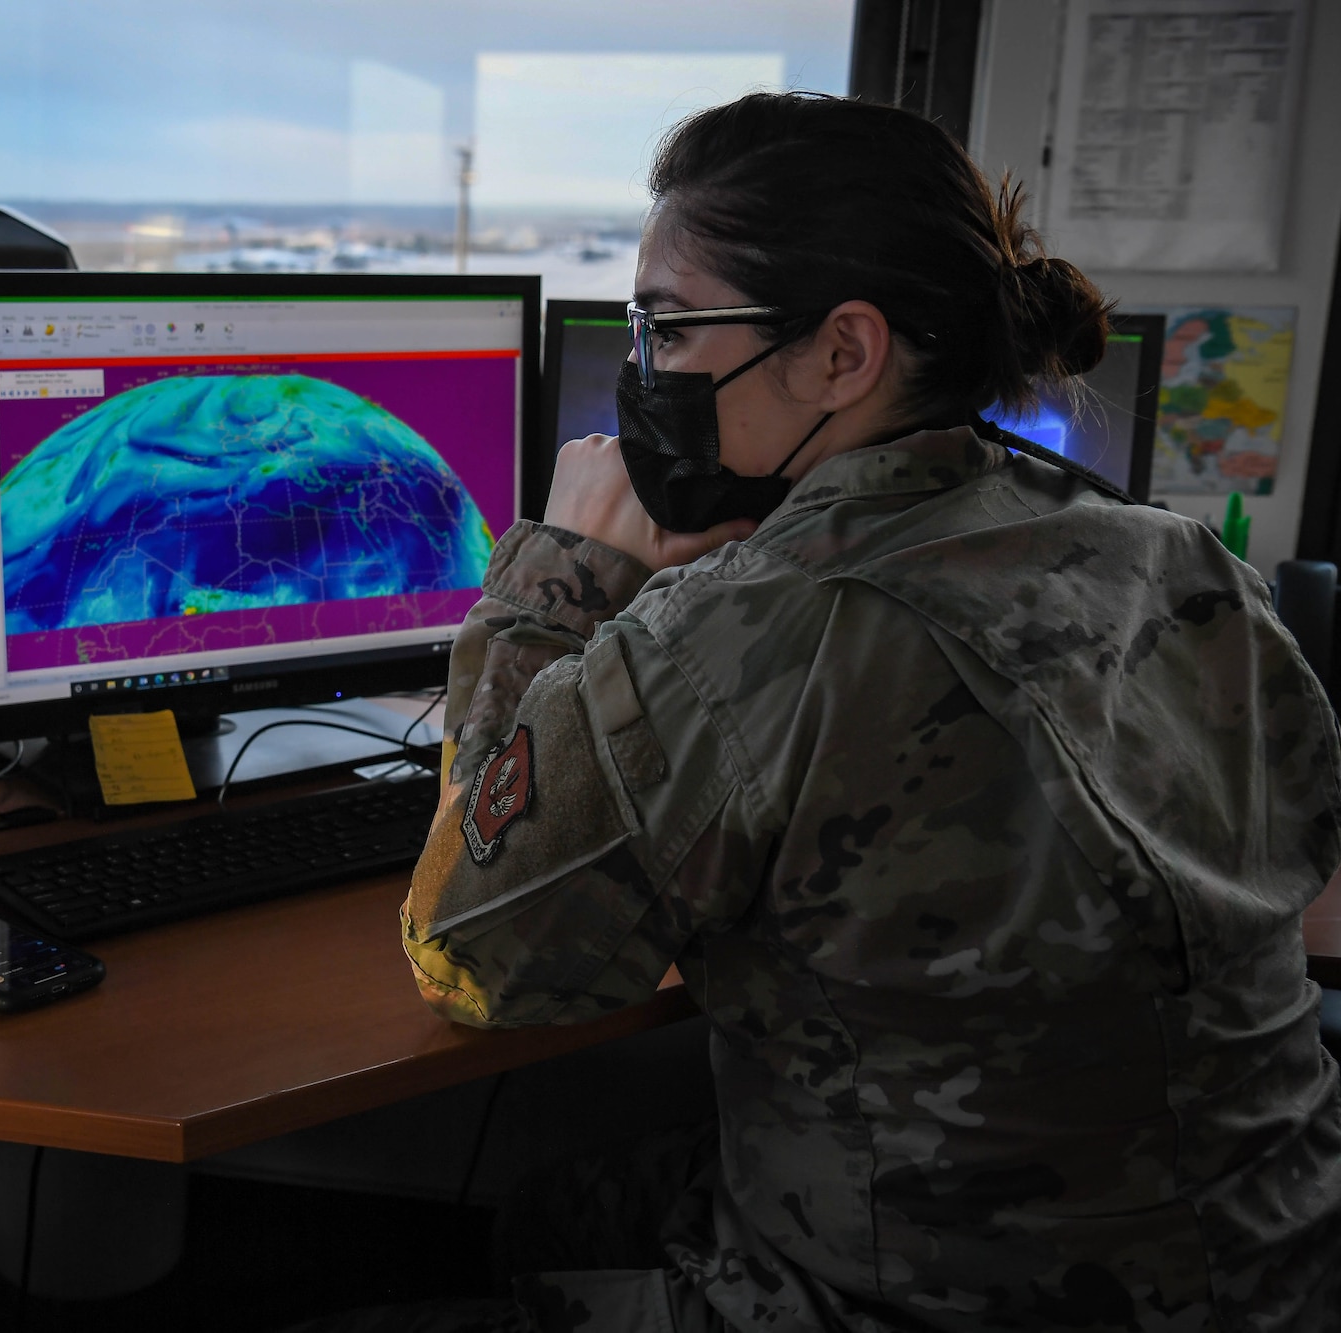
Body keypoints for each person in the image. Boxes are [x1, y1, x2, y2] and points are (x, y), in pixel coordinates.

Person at [324, 93, 1341, 1332]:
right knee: (560, 1207)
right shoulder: (1179, 560)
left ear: (842, 355)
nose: (640, 367)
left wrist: (560, 574)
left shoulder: (743, 628)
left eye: (664, 327)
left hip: (917, 1308)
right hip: (1278, 1268)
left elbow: (476, 959)